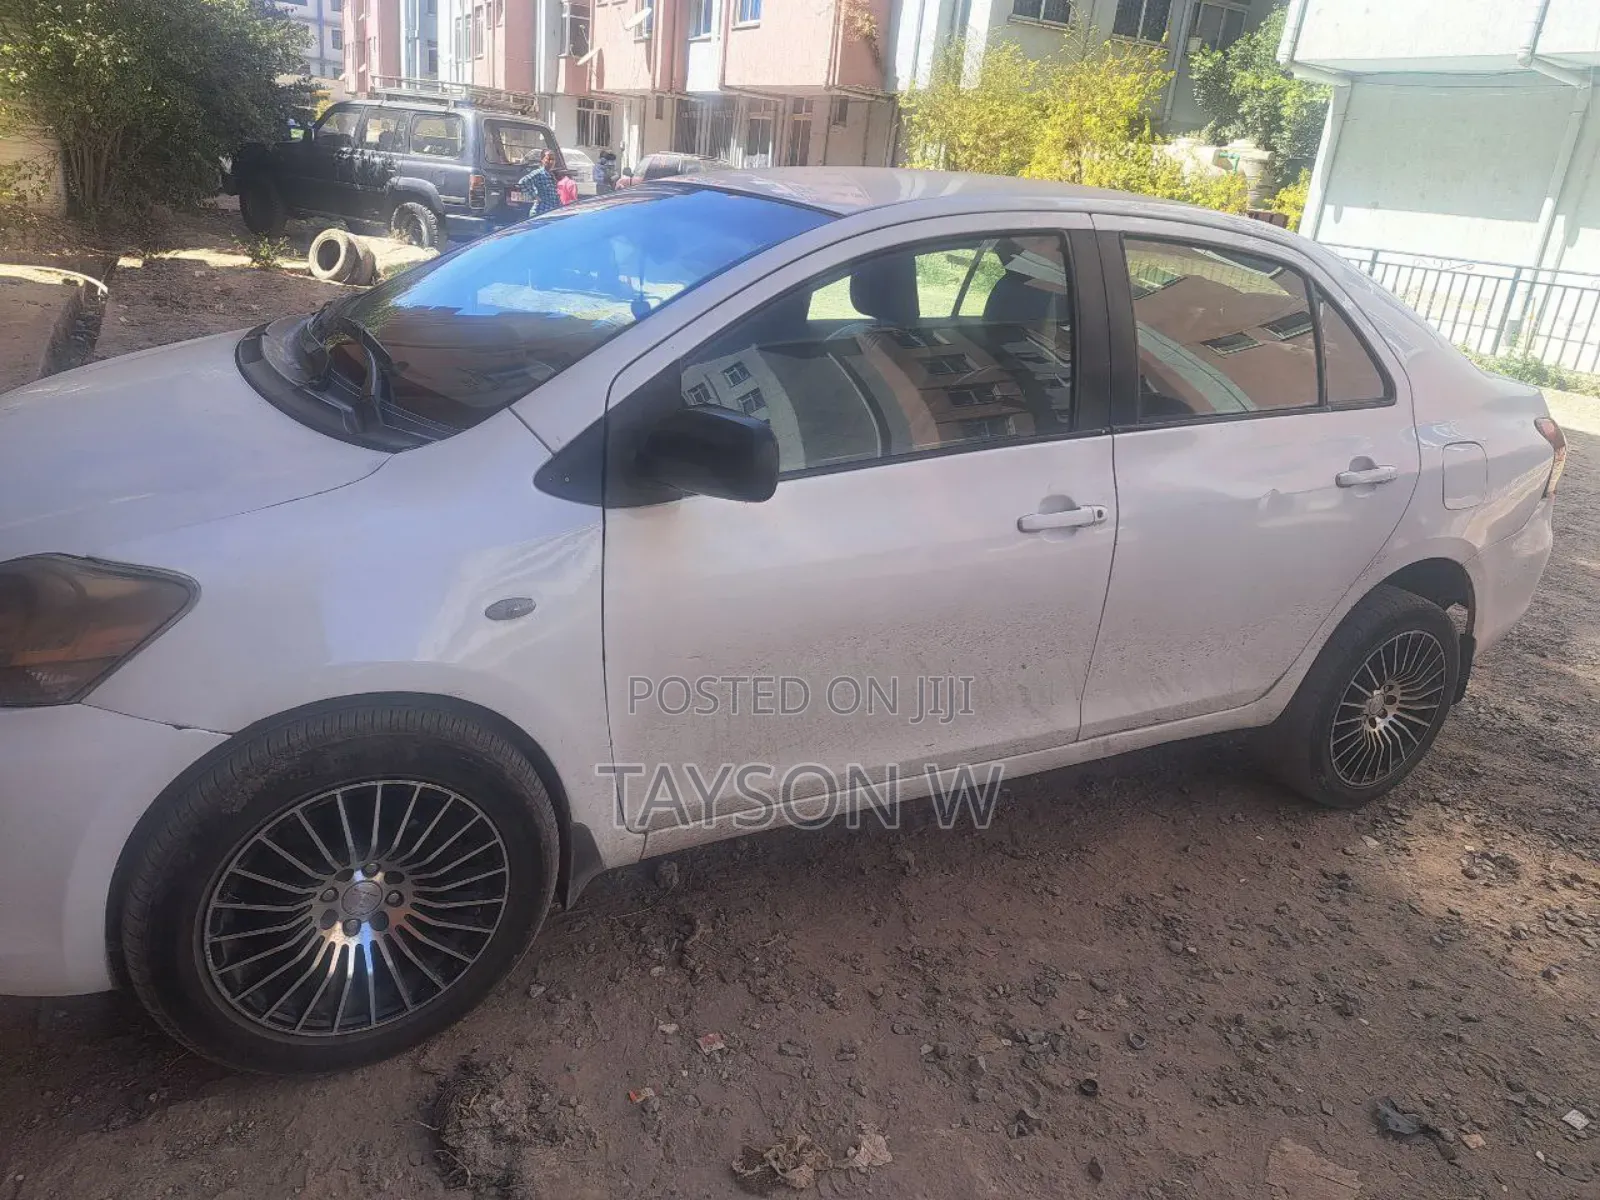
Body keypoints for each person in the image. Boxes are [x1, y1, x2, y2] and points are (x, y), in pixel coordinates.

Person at [518, 149, 561, 216]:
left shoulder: (551, 175)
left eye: (553, 159)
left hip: (550, 212)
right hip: (540, 212)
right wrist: (534, 196)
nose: (551, 162)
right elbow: (522, 182)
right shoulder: (539, 173)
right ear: (542, 160)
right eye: (548, 159)